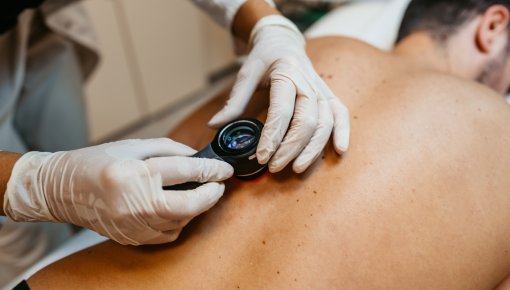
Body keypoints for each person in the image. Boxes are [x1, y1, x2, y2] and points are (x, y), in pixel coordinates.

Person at [24, 0, 510, 288]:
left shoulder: (311, 53)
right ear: (493, 26)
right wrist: (34, 184)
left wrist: (269, 25)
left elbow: (176, 144)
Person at [0, 0, 349, 249]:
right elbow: (44, 183)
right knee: (17, 233)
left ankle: (75, 235)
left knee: (65, 138)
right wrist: (38, 185)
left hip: (37, 23)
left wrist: (268, 24)